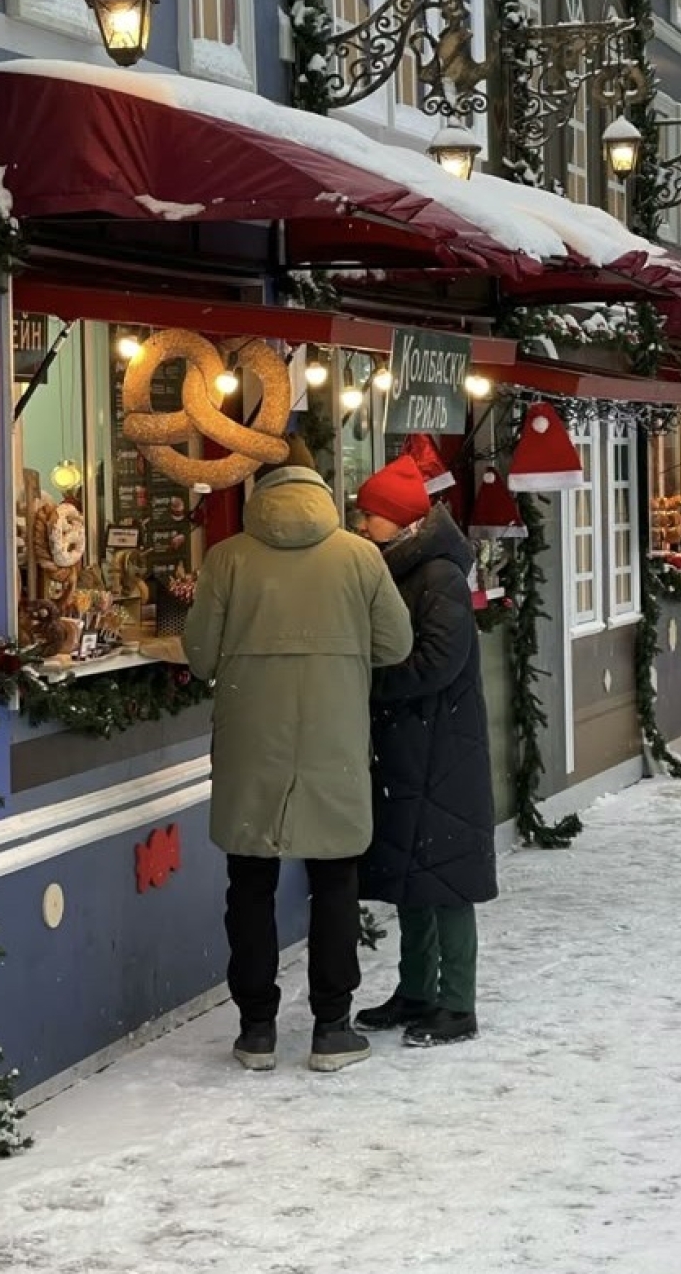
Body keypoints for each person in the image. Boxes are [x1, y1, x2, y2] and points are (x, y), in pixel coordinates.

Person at [183, 441, 413, 1074]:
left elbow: (199, 656)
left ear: (257, 487)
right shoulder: (360, 556)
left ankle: (256, 1029)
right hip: (334, 740)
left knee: (249, 885)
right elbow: (396, 644)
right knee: (335, 884)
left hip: (249, 744)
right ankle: (331, 1028)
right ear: (319, 484)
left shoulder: (227, 558)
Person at [351, 454, 498, 1048]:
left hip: (443, 748)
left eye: (370, 514)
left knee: (447, 878)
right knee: (413, 872)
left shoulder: (438, 576)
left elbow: (438, 661)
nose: (362, 524)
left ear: (398, 518)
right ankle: (416, 990)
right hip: (414, 743)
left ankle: (457, 1003)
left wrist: (369, 682)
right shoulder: (403, 569)